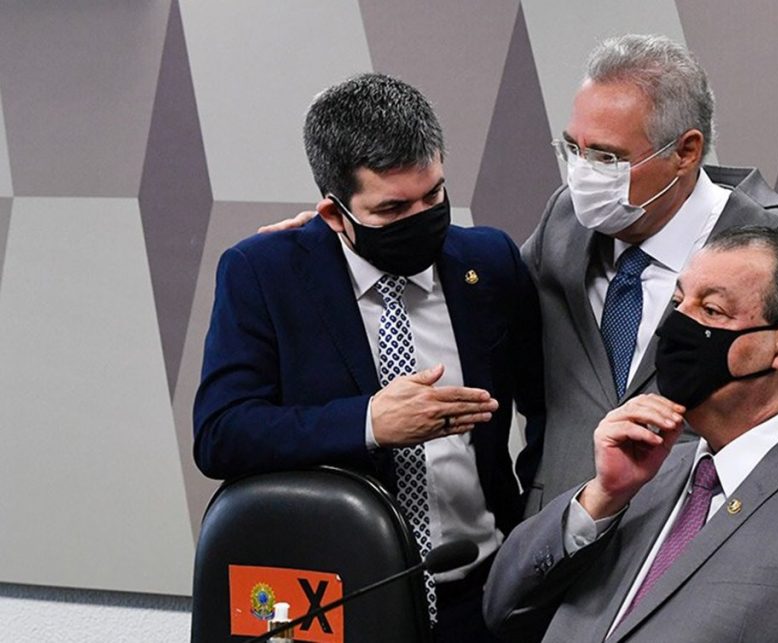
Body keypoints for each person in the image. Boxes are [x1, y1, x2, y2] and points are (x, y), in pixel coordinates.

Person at [258, 34, 778, 514]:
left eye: (608, 157)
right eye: (573, 148)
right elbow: (472, 286)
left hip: (706, 562)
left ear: (686, 152)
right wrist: (336, 241)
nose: (582, 174)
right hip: (558, 556)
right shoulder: (566, 219)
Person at [193, 73, 545, 642]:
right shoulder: (264, 274)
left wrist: (535, 526)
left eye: (433, 196)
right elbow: (221, 433)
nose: (421, 218)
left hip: (483, 595)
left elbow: (548, 405)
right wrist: (369, 423)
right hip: (339, 603)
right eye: (392, 208)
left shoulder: (490, 262)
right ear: (335, 214)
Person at [483, 227, 778, 643]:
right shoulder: (643, 474)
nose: (674, 327)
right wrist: (602, 498)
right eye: (678, 303)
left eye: (711, 310)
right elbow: (502, 610)